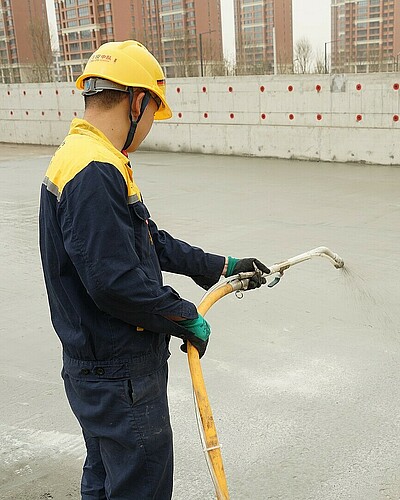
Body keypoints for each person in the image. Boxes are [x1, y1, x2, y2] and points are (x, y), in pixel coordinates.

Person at [38, 40, 269, 499]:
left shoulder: (84, 156)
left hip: (98, 369)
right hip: (120, 374)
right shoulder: (94, 171)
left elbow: (146, 240)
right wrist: (184, 317)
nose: (147, 129)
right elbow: (114, 283)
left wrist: (220, 266)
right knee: (139, 486)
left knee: (105, 479)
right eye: (150, 113)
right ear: (137, 100)